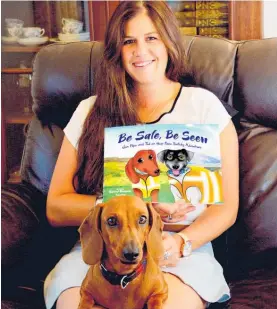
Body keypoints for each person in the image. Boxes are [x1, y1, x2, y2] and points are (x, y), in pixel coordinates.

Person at [44, 1, 239, 309]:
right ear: (116, 51)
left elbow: (226, 208)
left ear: (168, 42)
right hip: (103, 250)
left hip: (177, 250)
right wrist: (124, 210)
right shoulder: (89, 111)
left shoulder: (204, 106)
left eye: (151, 38)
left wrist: (182, 243)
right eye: (128, 41)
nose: (141, 51)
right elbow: (55, 207)